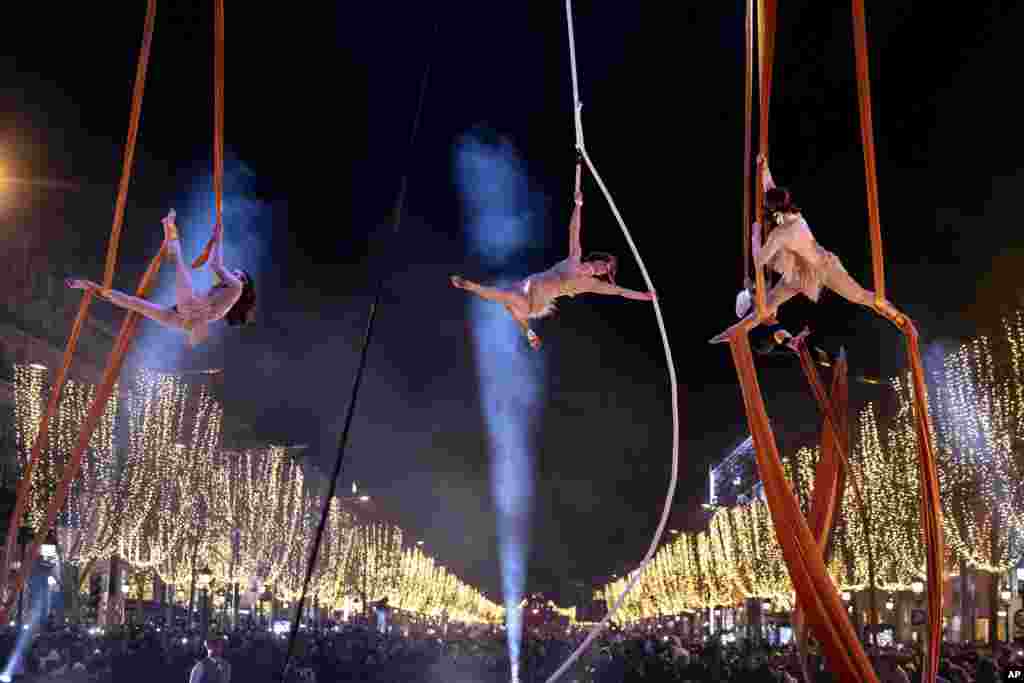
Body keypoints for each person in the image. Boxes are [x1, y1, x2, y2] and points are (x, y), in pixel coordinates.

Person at [711, 154, 902, 343]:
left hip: (822, 268)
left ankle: (890, 310)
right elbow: (770, 187)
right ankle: (730, 334)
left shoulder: (781, 233)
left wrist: (755, 236)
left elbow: (759, 260)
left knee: (857, 295)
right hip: (797, 272)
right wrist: (764, 168)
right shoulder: (791, 214)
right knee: (765, 308)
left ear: (774, 209)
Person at [451, 188, 656, 349]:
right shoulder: (575, 256)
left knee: (507, 298)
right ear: (598, 260)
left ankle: (469, 286)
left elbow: (619, 291)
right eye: (605, 264)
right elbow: (574, 229)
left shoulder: (590, 284)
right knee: (508, 299)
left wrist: (645, 296)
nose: (603, 268)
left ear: (603, 274)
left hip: (536, 302)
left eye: (606, 270)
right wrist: (578, 205)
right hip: (527, 285)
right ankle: (526, 330)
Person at [66, 209, 256, 347]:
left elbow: (216, 265)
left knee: (177, 263)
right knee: (134, 303)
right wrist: (215, 239)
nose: (233, 274)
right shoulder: (225, 291)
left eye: (237, 273)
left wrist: (218, 238)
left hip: (189, 312)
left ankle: (169, 225)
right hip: (183, 320)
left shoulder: (237, 287)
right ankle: (87, 286)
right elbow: (215, 265)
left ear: (243, 281)